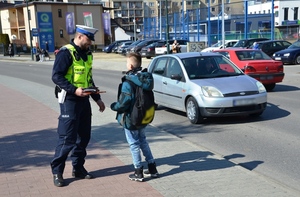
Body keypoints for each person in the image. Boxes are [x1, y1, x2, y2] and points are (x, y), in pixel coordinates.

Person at [50, 25, 106, 187]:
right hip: (69, 100)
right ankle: (57, 172)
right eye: (89, 40)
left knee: (84, 137)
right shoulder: (66, 53)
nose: (90, 44)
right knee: (67, 138)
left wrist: (98, 99)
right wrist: (75, 90)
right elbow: (56, 76)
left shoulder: (87, 54)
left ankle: (78, 168)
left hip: (84, 100)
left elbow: (89, 80)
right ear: (80, 36)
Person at [110, 52, 159, 182]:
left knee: (134, 144)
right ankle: (152, 168)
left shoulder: (128, 82)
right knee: (143, 141)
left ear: (130, 66)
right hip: (144, 117)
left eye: (127, 63)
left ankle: (138, 172)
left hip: (131, 119)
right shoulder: (146, 78)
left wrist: (114, 106)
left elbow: (124, 103)